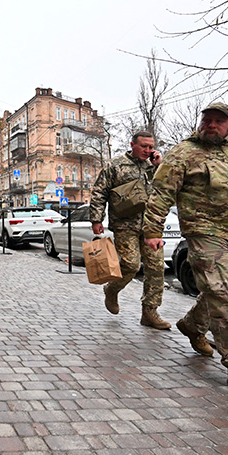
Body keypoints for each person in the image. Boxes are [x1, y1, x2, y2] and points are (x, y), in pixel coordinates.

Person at [142, 102, 228, 398]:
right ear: (200, 122)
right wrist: (152, 230)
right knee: (220, 293)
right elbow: (162, 192)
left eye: (218, 121)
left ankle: (193, 324)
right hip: (204, 231)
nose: (211, 125)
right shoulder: (184, 153)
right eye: (207, 120)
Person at [88, 130, 170, 330]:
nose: (148, 150)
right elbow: (100, 192)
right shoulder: (115, 166)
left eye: (151, 147)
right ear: (132, 144)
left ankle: (150, 312)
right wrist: (96, 218)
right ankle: (112, 290)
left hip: (151, 225)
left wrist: (159, 166)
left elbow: (166, 187)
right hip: (125, 224)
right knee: (131, 265)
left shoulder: (155, 167)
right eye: (143, 146)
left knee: (156, 268)